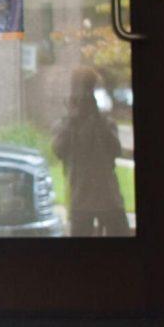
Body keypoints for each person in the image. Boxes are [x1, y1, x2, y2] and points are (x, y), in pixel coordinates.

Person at [52, 67, 129, 236]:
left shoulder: (105, 123)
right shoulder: (66, 124)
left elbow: (116, 150)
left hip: (107, 196)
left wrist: (98, 118)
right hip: (81, 197)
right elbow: (58, 150)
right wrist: (72, 121)